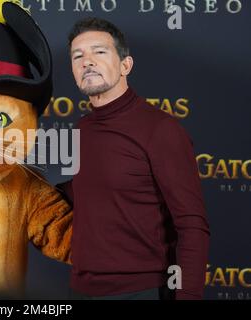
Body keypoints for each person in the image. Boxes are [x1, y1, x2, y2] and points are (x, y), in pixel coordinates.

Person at [57, 17, 210, 300]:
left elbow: (192, 224)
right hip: (80, 288)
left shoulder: (160, 129)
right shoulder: (81, 129)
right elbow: (93, 194)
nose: (87, 61)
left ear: (125, 65)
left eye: (99, 52)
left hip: (140, 291)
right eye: (78, 56)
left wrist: (188, 294)